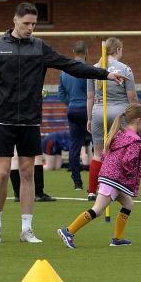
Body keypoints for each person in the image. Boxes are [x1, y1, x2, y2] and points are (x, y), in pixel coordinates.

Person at [0, 2, 126, 244]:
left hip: (30, 119)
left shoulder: (39, 48)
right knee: (1, 173)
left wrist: (105, 74)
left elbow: (71, 66)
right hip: (1, 119)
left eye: (34, 24)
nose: (30, 28)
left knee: (27, 172)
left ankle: (27, 230)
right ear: (15, 20)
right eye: (26, 23)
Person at [57, 103, 141, 249]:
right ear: (138, 120)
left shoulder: (120, 134)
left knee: (128, 205)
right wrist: (136, 168)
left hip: (109, 176)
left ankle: (117, 239)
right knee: (98, 210)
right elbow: (127, 161)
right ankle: (68, 231)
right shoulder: (135, 141)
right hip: (114, 179)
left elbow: (106, 154)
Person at [86, 37, 137, 200]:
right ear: (118, 50)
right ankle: (119, 188)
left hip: (99, 112)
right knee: (121, 151)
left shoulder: (93, 68)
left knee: (97, 153)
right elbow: (132, 97)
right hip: (120, 112)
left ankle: (92, 190)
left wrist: (89, 118)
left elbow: (90, 97)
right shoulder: (125, 69)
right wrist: (135, 115)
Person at [58, 40, 90, 190]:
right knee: (98, 144)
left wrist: (71, 103)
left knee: (75, 146)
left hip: (72, 110)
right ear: (86, 52)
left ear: (73, 52)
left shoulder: (64, 71)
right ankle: (101, 181)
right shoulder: (88, 70)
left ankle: (77, 182)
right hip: (87, 110)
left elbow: (61, 94)